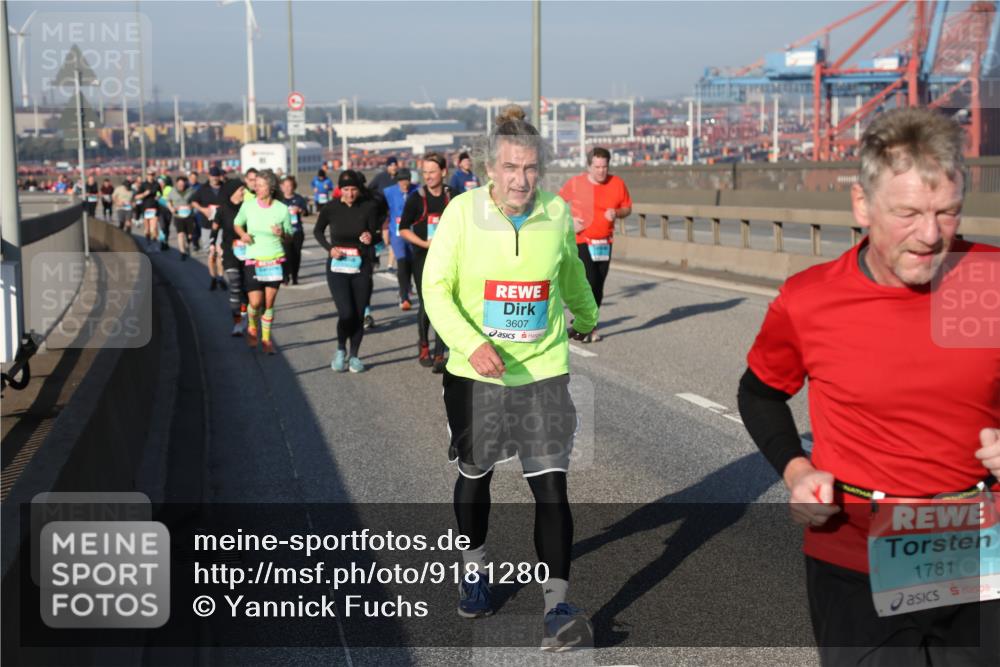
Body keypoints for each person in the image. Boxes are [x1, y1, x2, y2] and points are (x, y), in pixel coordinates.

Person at [737, 107, 1000, 666]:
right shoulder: (811, 300)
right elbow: (759, 393)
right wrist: (797, 470)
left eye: (948, 213)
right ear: (862, 205)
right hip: (855, 560)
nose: (931, 236)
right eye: (907, 213)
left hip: (982, 558)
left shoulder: (988, 281)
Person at [422, 106, 597, 650]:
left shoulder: (557, 213)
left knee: (551, 484)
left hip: (542, 369)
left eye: (530, 169)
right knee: (477, 472)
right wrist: (470, 345)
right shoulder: (460, 212)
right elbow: (436, 288)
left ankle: (557, 604)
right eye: (510, 167)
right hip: (477, 375)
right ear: (489, 169)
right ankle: (474, 568)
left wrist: (587, 315)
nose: (521, 179)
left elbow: (569, 271)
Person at [558, 146, 632, 343]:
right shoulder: (576, 183)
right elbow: (556, 205)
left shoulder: (617, 183)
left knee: (598, 286)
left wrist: (617, 213)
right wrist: (569, 222)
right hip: (582, 240)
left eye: (604, 167)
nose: (601, 171)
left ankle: (589, 323)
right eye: (597, 167)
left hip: (604, 242)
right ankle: (585, 325)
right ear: (589, 166)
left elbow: (627, 208)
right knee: (588, 281)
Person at [313, 170, 381, 373]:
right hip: (338, 267)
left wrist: (370, 237)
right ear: (339, 190)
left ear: (359, 190)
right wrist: (329, 248)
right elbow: (318, 230)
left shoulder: (369, 207)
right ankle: (341, 349)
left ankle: (354, 356)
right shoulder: (331, 208)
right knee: (346, 313)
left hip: (361, 266)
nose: (350, 194)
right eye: (346, 189)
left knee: (359, 314)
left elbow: (377, 233)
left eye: (353, 189)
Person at [398, 152, 452, 372]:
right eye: (425, 172)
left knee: (446, 304)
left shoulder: (454, 196)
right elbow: (402, 229)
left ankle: (440, 353)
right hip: (423, 258)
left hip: (449, 259)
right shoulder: (416, 197)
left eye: (432, 172)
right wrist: (423, 243)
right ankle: (423, 346)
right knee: (428, 304)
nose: (428, 176)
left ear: (443, 172)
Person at [233, 169, 292, 355]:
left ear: (271, 188)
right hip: (254, 260)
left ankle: (266, 340)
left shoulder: (282, 209)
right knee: (256, 303)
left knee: (268, 304)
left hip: (274, 260)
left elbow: (291, 236)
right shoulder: (248, 206)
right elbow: (237, 223)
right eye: (255, 185)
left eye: (260, 185)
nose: (256, 188)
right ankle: (252, 325)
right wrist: (243, 234)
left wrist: (281, 233)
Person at [382, 167, 416, 309]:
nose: (404, 184)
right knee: (401, 262)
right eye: (401, 181)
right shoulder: (388, 192)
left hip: (414, 233)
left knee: (411, 263)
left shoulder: (417, 190)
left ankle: (407, 287)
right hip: (397, 233)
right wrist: (383, 228)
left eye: (407, 180)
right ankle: (404, 297)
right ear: (397, 181)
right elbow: (381, 209)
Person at [191, 166, 228, 291]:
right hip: (207, 226)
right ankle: (213, 277)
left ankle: (221, 278)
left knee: (220, 253)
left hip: (222, 226)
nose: (214, 178)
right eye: (212, 176)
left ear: (219, 176)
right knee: (211, 254)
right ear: (209, 176)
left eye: (216, 176)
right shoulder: (203, 189)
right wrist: (203, 210)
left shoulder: (225, 188)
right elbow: (193, 201)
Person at [279, 176, 309, 285]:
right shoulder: (279, 200)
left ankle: (295, 276)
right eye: (285, 186)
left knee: (296, 255)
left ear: (294, 187)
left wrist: (300, 210)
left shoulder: (299, 199)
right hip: (284, 232)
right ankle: (286, 275)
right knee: (286, 254)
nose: (287, 188)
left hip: (297, 231)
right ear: (281, 187)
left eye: (290, 186)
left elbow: (306, 212)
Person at [167, 176, 196, 260]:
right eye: (179, 184)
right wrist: (171, 208)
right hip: (178, 216)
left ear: (185, 184)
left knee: (190, 235)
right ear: (176, 184)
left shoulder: (191, 190)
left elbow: (195, 201)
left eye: (183, 184)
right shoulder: (172, 191)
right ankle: (182, 252)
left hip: (189, 215)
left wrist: (191, 206)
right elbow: (168, 201)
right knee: (180, 234)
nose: (181, 186)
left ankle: (187, 244)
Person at [135, 169, 162, 251]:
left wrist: (158, 197)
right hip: (145, 208)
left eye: (153, 174)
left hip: (154, 208)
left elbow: (161, 193)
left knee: (153, 228)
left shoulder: (157, 184)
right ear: (147, 175)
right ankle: (148, 243)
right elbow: (136, 197)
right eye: (149, 174)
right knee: (147, 229)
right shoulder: (143, 185)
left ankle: (155, 244)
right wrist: (144, 194)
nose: (151, 176)